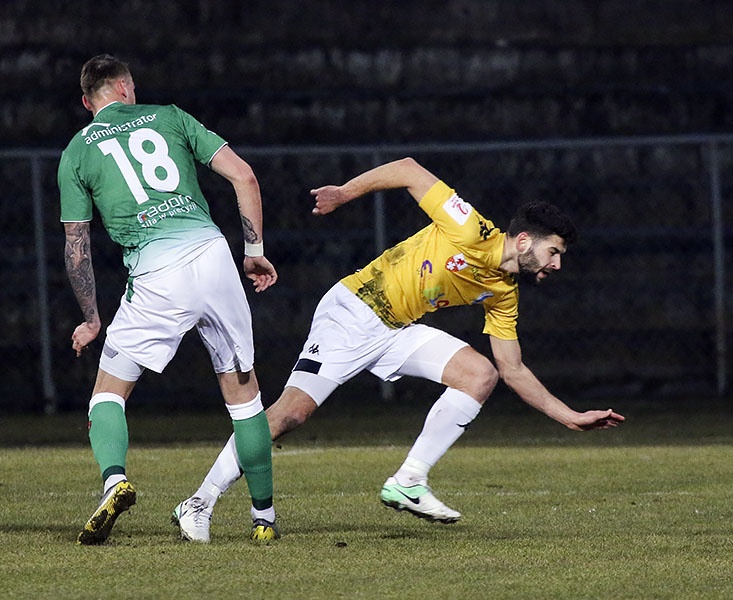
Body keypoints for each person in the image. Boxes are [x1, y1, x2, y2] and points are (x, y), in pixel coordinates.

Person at [174, 157, 625, 542]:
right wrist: (343, 193)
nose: (557, 264)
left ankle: (409, 481)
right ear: (525, 241)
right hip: (353, 311)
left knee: (481, 375)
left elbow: (513, 369)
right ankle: (198, 502)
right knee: (288, 416)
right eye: (554, 251)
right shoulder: (470, 228)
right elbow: (409, 170)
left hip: (396, 328)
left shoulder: (504, 290)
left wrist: (570, 416)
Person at [58, 54, 279, 545]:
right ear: (124, 88)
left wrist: (91, 318)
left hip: (157, 271)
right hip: (213, 253)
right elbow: (244, 177)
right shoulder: (171, 115)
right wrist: (255, 253)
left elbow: (77, 245)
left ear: (87, 100)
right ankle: (263, 520)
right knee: (245, 398)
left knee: (108, 394)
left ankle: (115, 480)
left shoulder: (76, 152)